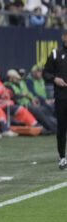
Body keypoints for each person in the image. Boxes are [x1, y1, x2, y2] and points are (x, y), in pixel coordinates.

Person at [43, 30, 67, 170]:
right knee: (62, 127)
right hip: (62, 97)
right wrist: (54, 79)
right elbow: (46, 73)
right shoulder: (55, 54)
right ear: (63, 37)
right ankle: (62, 157)